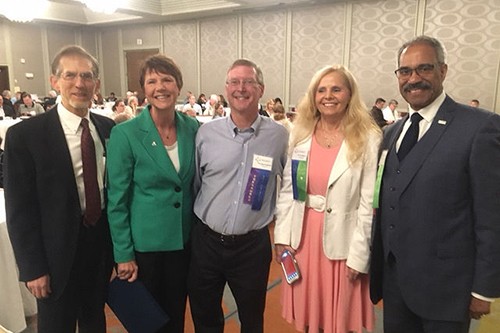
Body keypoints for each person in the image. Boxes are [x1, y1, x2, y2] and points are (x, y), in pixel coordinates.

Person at [370, 35, 500, 333]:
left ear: (443, 71)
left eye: (424, 69)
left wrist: (484, 288)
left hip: (447, 288)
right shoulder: (392, 133)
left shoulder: (480, 128)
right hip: (396, 284)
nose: (413, 79)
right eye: (405, 71)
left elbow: (492, 215)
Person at [4, 45, 115, 333]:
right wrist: (33, 268)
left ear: (97, 84)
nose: (80, 84)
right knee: (56, 327)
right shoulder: (25, 136)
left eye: (87, 76)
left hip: (98, 247)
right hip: (54, 256)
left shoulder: (108, 128)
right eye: (70, 75)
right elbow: (20, 209)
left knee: (95, 322)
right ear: (55, 81)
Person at [274, 64, 380, 333]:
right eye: (321, 90)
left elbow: (369, 205)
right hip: (302, 240)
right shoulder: (300, 134)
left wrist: (359, 255)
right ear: (313, 96)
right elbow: (289, 192)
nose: (328, 96)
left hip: (343, 244)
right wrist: (282, 239)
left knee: (339, 321)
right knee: (310, 320)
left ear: (349, 94)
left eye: (336, 89)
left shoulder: (368, 138)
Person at [188, 59, 289, 333]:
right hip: (206, 242)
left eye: (248, 82)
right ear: (225, 88)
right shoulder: (206, 133)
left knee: (252, 320)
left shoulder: (280, 137)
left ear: (261, 89)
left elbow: (290, 189)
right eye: (234, 82)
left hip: (251, 248)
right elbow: (197, 183)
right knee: (205, 317)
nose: (240, 88)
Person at [107, 54, 199, 333]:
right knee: (147, 323)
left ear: (178, 86)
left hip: (183, 244)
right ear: (143, 89)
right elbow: (117, 200)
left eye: (167, 79)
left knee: (175, 318)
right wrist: (123, 254)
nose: (160, 87)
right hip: (144, 249)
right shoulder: (126, 134)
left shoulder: (192, 128)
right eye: (152, 81)